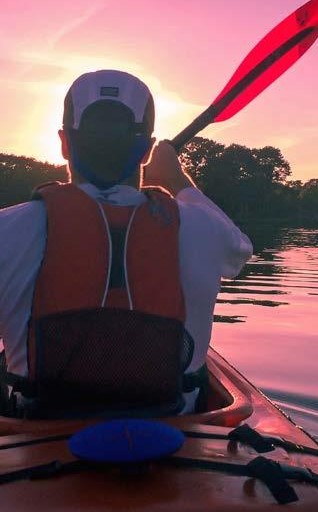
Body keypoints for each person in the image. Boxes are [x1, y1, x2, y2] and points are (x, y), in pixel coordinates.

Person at [0, 69, 253, 418]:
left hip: (40, 434)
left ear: (64, 143)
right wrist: (177, 179)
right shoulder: (203, 227)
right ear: (147, 150)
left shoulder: (7, 227)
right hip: (175, 435)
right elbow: (240, 251)